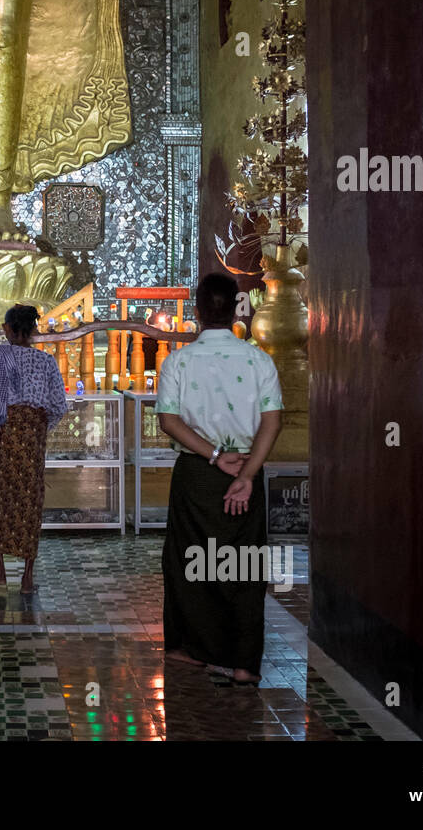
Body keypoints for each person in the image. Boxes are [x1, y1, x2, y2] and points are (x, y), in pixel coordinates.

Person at [156, 273, 283, 684]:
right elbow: (272, 422)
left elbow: (169, 421)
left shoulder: (179, 361)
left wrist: (213, 455)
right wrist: (246, 474)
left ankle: (193, 649)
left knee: (189, 563)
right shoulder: (259, 359)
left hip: (198, 474)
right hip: (247, 469)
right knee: (246, 566)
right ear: (236, 310)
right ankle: (245, 664)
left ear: (196, 311)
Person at [0, 304, 69, 594]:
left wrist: (4, 421)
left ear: (8, 328)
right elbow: (58, 406)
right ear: (32, 330)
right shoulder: (46, 362)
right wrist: (37, 427)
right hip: (32, 436)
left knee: (1, 497)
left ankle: (1, 573)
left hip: (4, 433)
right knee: (30, 500)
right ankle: (27, 578)